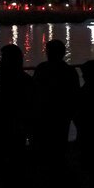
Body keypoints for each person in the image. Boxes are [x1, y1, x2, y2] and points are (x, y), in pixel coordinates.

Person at [30, 39, 80, 172]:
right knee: (60, 144)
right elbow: (74, 94)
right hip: (62, 115)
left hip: (44, 114)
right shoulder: (70, 71)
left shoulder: (42, 68)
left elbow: (34, 91)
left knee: (43, 145)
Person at [0, 44, 32, 180]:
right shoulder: (26, 79)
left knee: (3, 155)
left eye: (3, 58)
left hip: (4, 122)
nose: (0, 61)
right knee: (17, 154)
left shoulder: (0, 78)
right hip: (17, 123)